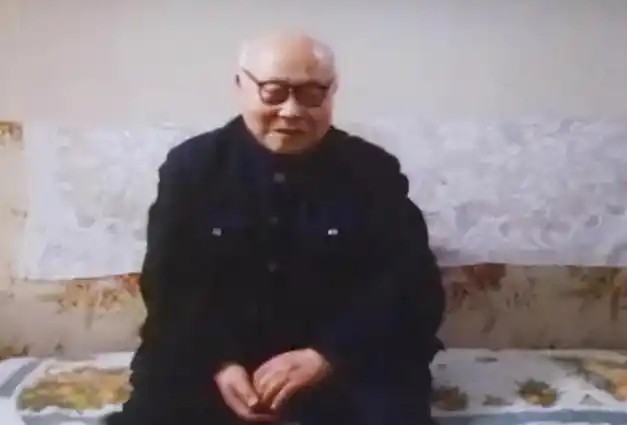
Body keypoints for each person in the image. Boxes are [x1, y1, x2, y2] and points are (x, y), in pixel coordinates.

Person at [106, 31, 445, 425]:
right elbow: (169, 287)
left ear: (333, 91)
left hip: (346, 363)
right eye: (274, 92)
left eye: (312, 93)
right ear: (241, 86)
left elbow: (410, 288)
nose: (291, 110)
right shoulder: (192, 169)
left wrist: (327, 356)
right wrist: (219, 362)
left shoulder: (373, 171)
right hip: (213, 363)